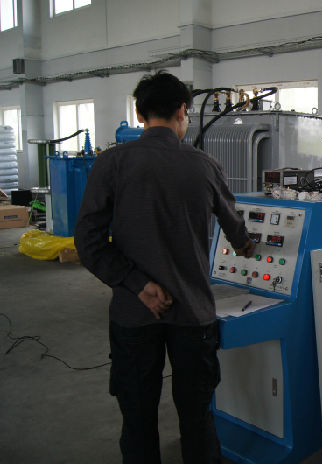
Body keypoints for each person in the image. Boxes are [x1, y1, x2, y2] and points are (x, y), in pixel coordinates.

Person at [74, 70, 255, 464]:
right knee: (197, 417)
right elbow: (236, 230)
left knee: (137, 419)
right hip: (193, 315)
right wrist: (246, 245)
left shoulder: (111, 163)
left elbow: (87, 241)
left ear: (140, 115)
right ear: (182, 111)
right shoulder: (204, 165)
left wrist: (137, 283)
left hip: (133, 313)